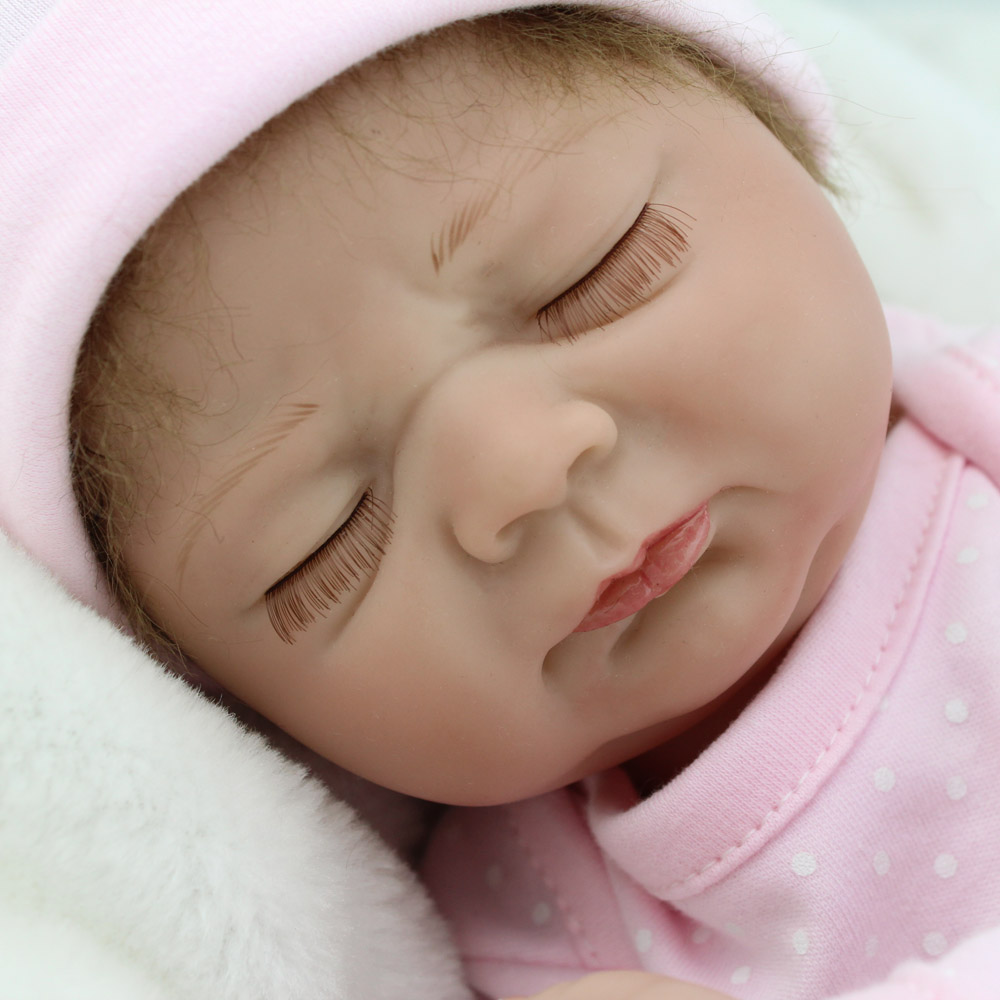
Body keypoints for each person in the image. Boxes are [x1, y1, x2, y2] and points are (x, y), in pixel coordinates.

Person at [1, 1, 997, 998]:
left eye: (596, 275)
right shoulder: (527, 938)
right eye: (330, 543)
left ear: (787, 145)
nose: (522, 471)